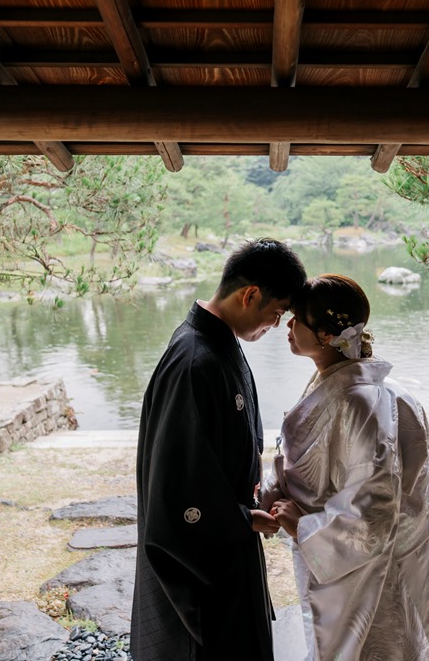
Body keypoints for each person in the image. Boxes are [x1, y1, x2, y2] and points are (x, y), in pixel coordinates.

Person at [131, 238, 307, 661]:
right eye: (277, 312)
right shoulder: (195, 360)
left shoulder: (218, 342)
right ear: (250, 295)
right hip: (202, 554)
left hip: (229, 540)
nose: (276, 325)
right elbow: (178, 483)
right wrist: (243, 519)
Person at [268, 273, 429, 661]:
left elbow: (374, 513)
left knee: (374, 646)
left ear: (327, 335)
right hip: (341, 555)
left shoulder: (361, 403)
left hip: (366, 567)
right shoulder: (343, 384)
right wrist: (274, 487)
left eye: (297, 319)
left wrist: (303, 526)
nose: (288, 326)